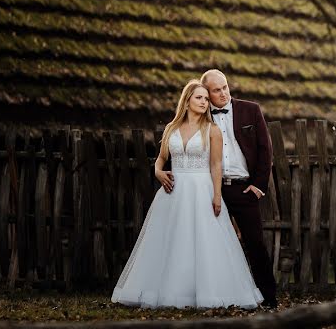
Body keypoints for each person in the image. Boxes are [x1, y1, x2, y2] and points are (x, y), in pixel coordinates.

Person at [111, 80, 264, 309]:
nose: (204, 102)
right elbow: (161, 158)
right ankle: (169, 292)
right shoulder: (171, 128)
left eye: (205, 98)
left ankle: (207, 293)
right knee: (170, 241)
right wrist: (157, 172)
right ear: (187, 101)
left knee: (204, 242)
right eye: (199, 98)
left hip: (201, 188)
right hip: (173, 192)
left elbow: (215, 165)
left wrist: (216, 195)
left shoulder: (211, 130)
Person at [200, 69, 278, 308]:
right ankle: (217, 297)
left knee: (255, 243)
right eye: (216, 90)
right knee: (211, 244)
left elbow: (266, 150)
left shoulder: (250, 110)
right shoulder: (200, 115)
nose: (223, 93)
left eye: (225, 87)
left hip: (244, 188)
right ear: (206, 93)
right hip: (211, 190)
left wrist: (258, 185)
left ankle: (269, 298)